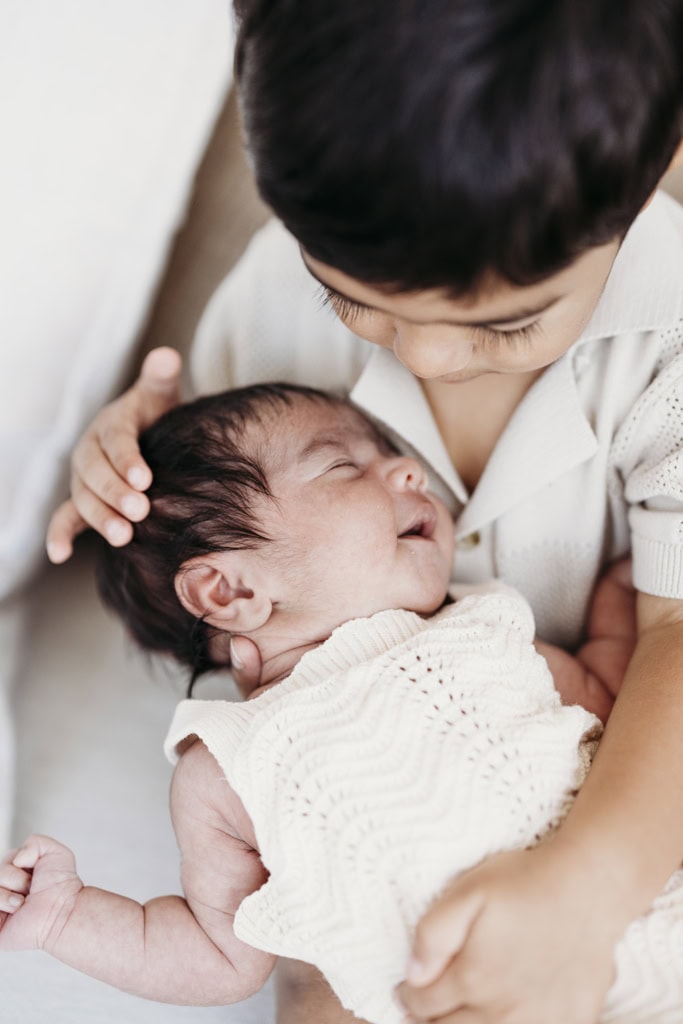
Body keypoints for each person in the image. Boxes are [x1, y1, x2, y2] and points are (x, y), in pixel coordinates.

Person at [43, 3, 683, 1022]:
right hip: (371, 896)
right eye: (347, 298)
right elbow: (222, 537)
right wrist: (126, 480)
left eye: (507, 319)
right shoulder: (271, 297)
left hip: (629, 816)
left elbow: (670, 636)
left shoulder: (668, 339)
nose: (418, 355)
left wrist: (589, 885)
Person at [3, 383, 670, 1024]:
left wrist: (623, 610)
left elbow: (604, 710)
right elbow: (215, 956)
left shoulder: (483, 625)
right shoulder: (229, 767)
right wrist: (69, 915)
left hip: (642, 914)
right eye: (344, 465)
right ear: (229, 593)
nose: (409, 470)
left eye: (390, 454)